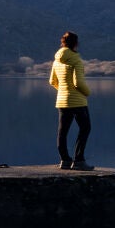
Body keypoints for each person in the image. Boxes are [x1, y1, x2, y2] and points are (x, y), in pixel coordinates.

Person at [49, 31, 93, 171]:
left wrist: (63, 91)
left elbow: (52, 81)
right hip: (77, 101)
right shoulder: (76, 60)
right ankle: (79, 160)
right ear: (76, 43)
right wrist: (87, 93)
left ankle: (65, 161)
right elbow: (78, 83)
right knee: (85, 128)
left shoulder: (56, 60)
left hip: (62, 101)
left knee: (62, 131)